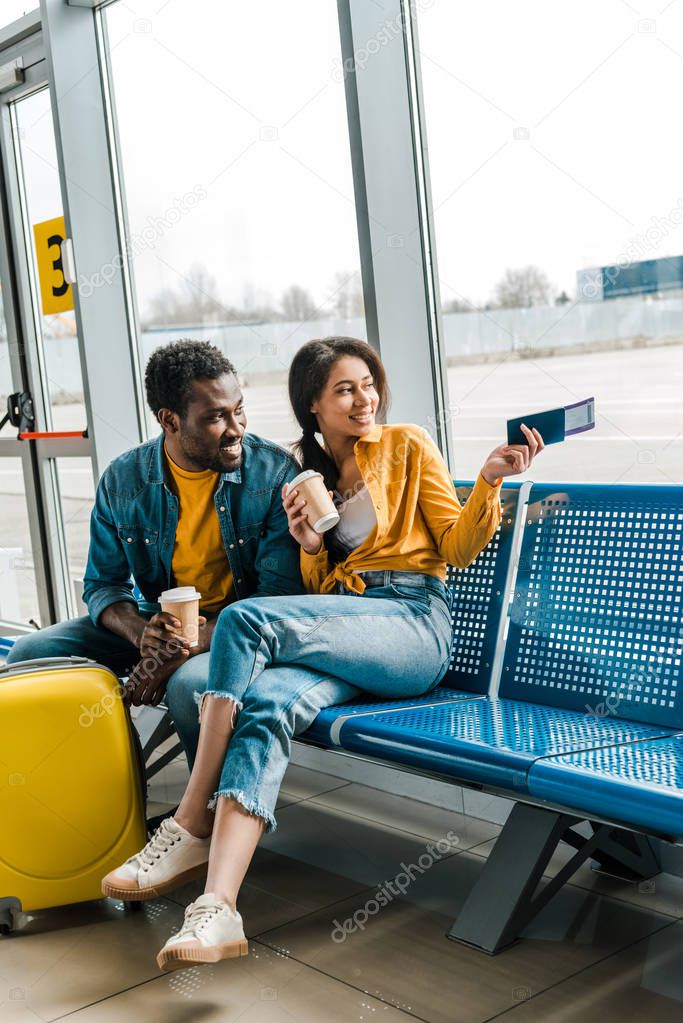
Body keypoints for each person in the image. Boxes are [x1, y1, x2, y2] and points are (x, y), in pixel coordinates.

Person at [101, 336, 544, 973]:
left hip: (411, 623)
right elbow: (314, 598)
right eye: (345, 388)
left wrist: (492, 481)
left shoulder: (406, 444)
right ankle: (219, 907)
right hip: (347, 633)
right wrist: (310, 543)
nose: (364, 398)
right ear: (313, 404)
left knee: (246, 621)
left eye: (369, 384)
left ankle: (191, 817)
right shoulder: (305, 476)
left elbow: (457, 546)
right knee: (268, 703)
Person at [6, 339, 303, 732]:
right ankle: (85, 774)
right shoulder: (124, 479)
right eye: (216, 417)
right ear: (170, 420)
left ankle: (210, 793)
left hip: (240, 626)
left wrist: (190, 644)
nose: (237, 430)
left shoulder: (274, 473)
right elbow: (103, 585)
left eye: (239, 410)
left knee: (188, 686)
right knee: (31, 653)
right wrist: (143, 635)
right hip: (162, 624)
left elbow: (277, 597)